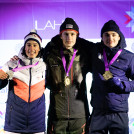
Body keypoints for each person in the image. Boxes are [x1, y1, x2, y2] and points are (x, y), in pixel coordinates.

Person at [43, 17, 94, 134]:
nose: (69, 38)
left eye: (72, 34)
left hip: (80, 115)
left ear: (77, 36)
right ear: (60, 36)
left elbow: (102, 62)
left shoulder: (84, 55)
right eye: (66, 34)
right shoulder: (50, 55)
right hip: (57, 116)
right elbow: (32, 58)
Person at [89, 20, 134, 134]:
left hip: (119, 112)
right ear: (102, 37)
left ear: (119, 37)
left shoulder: (129, 57)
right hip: (98, 111)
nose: (110, 38)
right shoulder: (94, 51)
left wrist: (122, 85)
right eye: (106, 35)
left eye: (113, 35)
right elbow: (75, 40)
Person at [0, 30, 46, 134]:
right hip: (14, 123)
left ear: (39, 48)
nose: (31, 48)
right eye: (28, 45)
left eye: (35, 45)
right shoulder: (12, 64)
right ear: (24, 47)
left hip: (37, 123)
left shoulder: (45, 66)